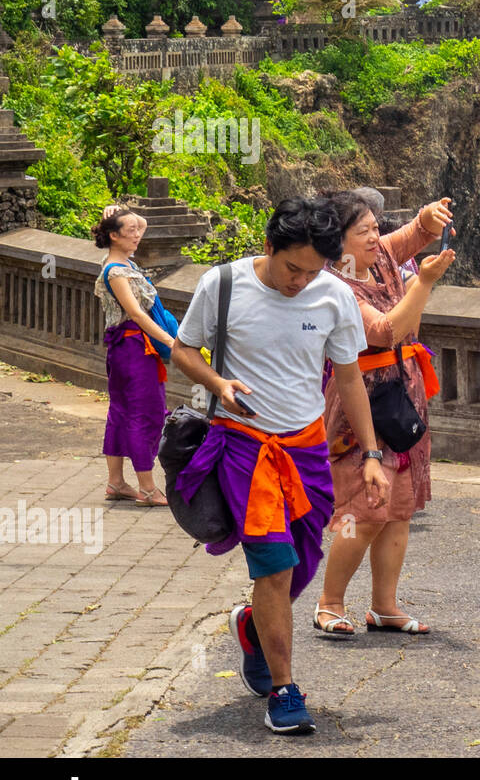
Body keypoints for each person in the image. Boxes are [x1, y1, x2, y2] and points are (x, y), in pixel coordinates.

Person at [171, 198, 391, 735]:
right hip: (244, 446)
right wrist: (218, 384)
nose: (300, 281)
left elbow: (348, 378)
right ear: (269, 247)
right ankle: (284, 688)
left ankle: (252, 624)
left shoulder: (335, 296)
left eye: (313, 271)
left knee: (302, 563)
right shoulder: (222, 285)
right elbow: (183, 350)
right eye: (293, 268)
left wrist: (371, 454)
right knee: (272, 564)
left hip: (308, 449)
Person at [314, 192, 454, 637]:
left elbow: (413, 236)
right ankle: (329, 601)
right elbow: (384, 331)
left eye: (376, 227)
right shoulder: (335, 285)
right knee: (367, 505)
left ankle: (384, 606)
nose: (376, 236)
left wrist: (428, 219)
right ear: (338, 242)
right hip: (362, 398)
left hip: (402, 390)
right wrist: (424, 285)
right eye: (364, 231)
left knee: (399, 506)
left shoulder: (381, 256)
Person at [93, 205, 173, 507]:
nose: (138, 233)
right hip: (134, 350)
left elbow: (144, 221)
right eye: (130, 231)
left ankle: (116, 482)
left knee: (122, 411)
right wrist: (169, 341)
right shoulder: (116, 271)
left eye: (137, 230)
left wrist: (118, 211)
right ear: (114, 236)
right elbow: (136, 313)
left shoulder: (121, 261)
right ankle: (148, 488)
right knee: (145, 412)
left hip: (127, 350)